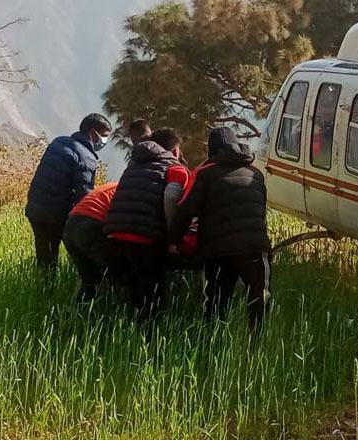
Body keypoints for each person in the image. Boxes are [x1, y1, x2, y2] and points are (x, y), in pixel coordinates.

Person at [171, 127, 272, 331]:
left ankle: (211, 347)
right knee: (260, 298)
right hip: (255, 247)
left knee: (215, 303)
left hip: (218, 250)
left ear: (212, 151)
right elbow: (260, 211)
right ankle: (257, 348)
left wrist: (174, 240)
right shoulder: (257, 174)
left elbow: (187, 211)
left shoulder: (206, 174)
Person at [104, 128, 188, 318]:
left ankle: (117, 337)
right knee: (151, 301)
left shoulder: (133, 166)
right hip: (144, 241)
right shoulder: (175, 167)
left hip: (113, 237)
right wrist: (173, 237)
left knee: (127, 298)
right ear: (175, 151)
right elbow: (171, 197)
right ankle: (147, 342)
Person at [24, 114, 112, 269]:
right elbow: (84, 196)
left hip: (35, 208)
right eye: (104, 137)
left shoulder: (59, 142)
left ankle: (43, 289)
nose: (104, 142)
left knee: (45, 259)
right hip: (57, 214)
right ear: (92, 133)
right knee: (79, 254)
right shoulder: (87, 157)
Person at [62, 182, 118, 304]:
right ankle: (117, 313)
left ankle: (76, 316)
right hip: (91, 225)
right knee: (117, 277)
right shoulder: (125, 190)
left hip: (71, 226)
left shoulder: (112, 186)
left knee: (90, 281)